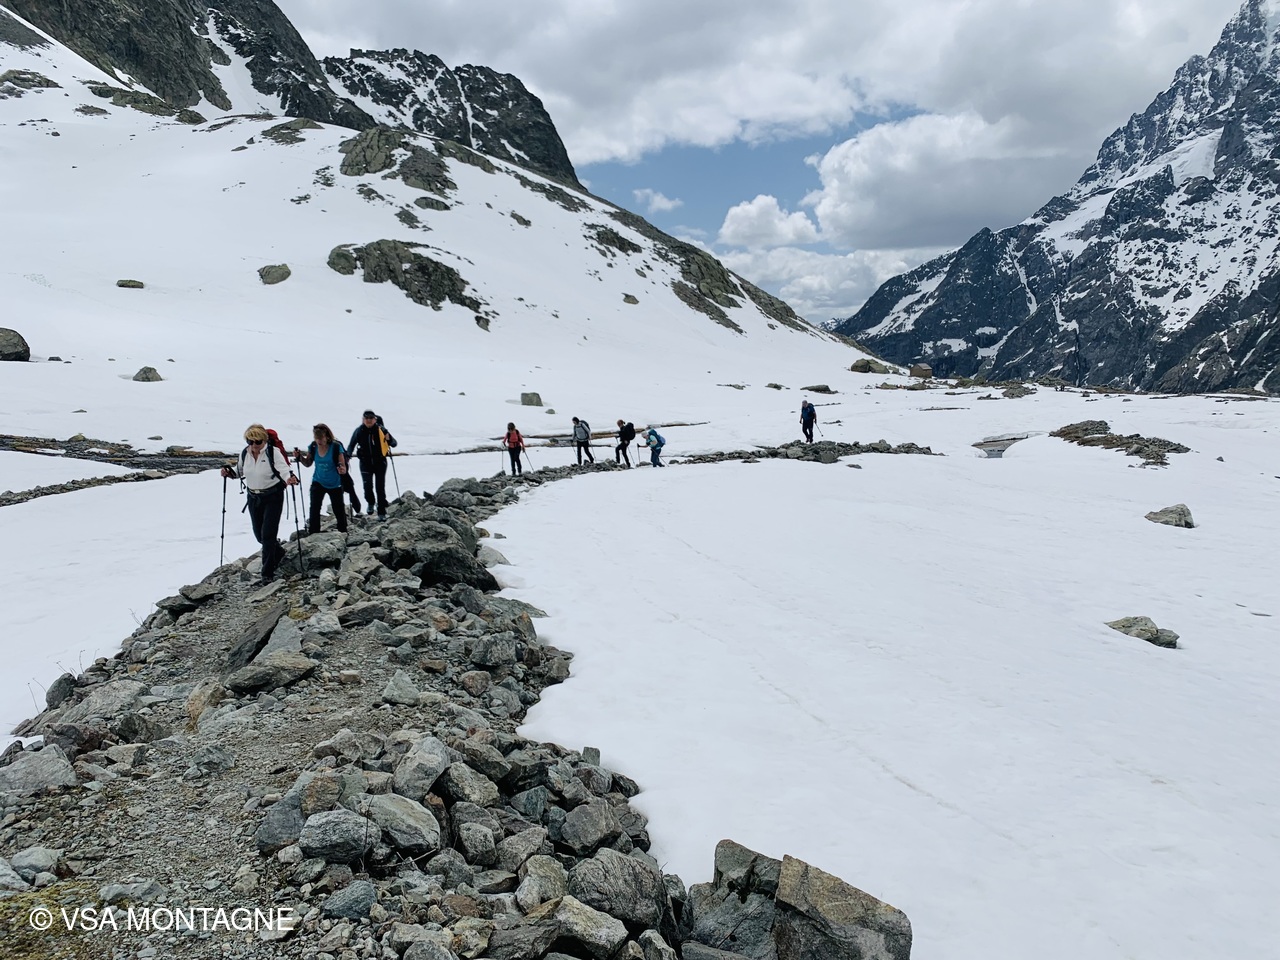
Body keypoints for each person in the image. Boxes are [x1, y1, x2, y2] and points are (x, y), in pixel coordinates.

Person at [221, 424, 299, 584]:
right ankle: (278, 552)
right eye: (250, 441)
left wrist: (289, 479)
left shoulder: (273, 452)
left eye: (257, 442)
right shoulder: (245, 453)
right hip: (253, 498)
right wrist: (229, 473)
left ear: (264, 440)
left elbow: (284, 470)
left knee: (268, 535)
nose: (254, 445)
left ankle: (267, 573)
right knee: (259, 535)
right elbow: (240, 471)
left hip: (273, 496)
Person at [294, 424, 349, 534]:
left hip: (334, 483)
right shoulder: (313, 447)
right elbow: (308, 463)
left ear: (327, 437)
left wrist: (342, 469)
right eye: (316, 438)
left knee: (338, 508)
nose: (319, 441)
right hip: (318, 481)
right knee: (314, 507)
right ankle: (314, 532)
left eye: (321, 438)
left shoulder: (336, 447)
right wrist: (299, 457)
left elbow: (343, 466)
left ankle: (343, 531)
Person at [348, 409, 397, 520]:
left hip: (380, 463)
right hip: (365, 463)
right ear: (363, 419)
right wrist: (347, 456)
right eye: (366, 418)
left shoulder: (381, 430)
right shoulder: (359, 431)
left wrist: (389, 439)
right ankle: (371, 502)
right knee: (367, 487)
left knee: (380, 488)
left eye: (371, 418)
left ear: (375, 419)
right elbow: (351, 445)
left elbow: (394, 443)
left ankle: (381, 512)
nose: (369, 420)